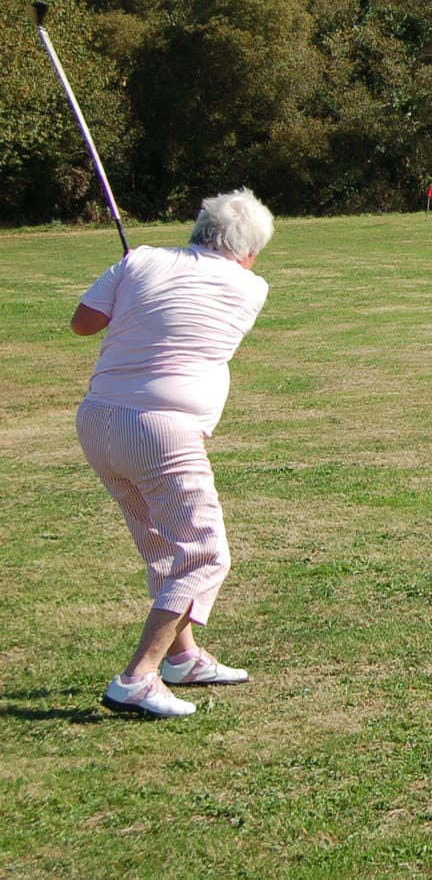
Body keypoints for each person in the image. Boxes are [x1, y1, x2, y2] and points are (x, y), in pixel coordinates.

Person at [71, 188, 274, 718]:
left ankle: (183, 659)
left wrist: (128, 278)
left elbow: (84, 323)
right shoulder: (250, 287)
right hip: (162, 432)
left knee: (163, 545)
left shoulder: (140, 260)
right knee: (204, 555)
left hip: (99, 422)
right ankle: (138, 677)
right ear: (247, 249)